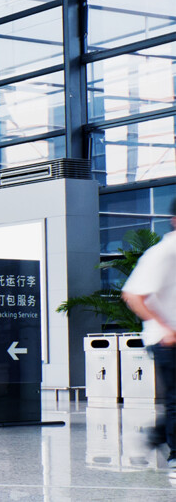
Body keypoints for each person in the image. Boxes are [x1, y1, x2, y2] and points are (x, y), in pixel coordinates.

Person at [123, 198, 176, 478]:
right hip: (166, 340)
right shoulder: (163, 252)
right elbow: (132, 295)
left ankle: (156, 435)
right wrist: (164, 328)